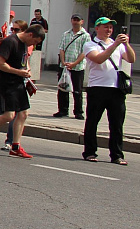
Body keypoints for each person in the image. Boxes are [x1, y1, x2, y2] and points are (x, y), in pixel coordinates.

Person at [0, 23, 44, 158]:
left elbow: (25, 59)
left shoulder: (25, 43)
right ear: (30, 34)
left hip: (19, 82)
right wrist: (18, 72)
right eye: (34, 41)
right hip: (7, 83)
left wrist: (27, 69)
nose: (34, 44)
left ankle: (15, 146)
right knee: (9, 115)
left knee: (23, 114)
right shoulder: (10, 42)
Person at [82, 17, 134, 164]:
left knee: (117, 124)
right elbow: (99, 59)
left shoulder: (117, 45)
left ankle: (117, 155)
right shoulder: (90, 45)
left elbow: (131, 59)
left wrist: (126, 44)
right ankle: (90, 152)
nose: (109, 30)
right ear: (97, 28)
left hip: (116, 89)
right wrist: (115, 44)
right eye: (105, 27)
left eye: (110, 27)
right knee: (92, 121)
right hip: (97, 88)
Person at [55, 14, 90, 119]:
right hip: (64, 66)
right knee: (62, 88)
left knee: (77, 90)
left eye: (77, 20)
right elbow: (61, 48)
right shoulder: (66, 34)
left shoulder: (85, 35)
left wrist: (74, 63)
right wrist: (63, 61)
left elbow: (84, 52)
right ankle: (62, 110)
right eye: (74, 20)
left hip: (77, 67)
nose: (75, 22)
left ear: (82, 21)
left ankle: (78, 111)